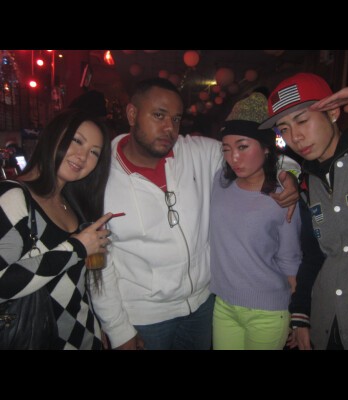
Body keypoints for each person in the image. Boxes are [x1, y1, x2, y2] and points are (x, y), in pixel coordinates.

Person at [91, 78, 300, 350]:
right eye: (159, 115)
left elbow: (257, 155)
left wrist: (289, 175)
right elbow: (98, 264)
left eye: (176, 119)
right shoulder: (100, 177)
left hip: (203, 306)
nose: (169, 128)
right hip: (144, 317)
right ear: (132, 114)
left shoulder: (197, 153)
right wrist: (117, 330)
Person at [259, 69, 348, 350]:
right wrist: (301, 315)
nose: (295, 137)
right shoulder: (307, 183)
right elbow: (314, 256)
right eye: (284, 129)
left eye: (302, 120)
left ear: (333, 112)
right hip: (328, 324)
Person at [0, 108, 112, 349]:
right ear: (52, 136)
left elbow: (77, 286)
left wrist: (96, 325)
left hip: (84, 337)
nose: (83, 156)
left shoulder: (71, 203)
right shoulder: (14, 196)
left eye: (94, 152)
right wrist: (77, 248)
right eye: (77, 141)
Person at [210, 92, 301, 350]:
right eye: (226, 149)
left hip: (268, 310)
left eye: (242, 147)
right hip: (223, 304)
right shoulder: (219, 182)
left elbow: (290, 258)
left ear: (265, 147)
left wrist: (297, 316)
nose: (233, 158)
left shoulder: (282, 195)